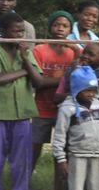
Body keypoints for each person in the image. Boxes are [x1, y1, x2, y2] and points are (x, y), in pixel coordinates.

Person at [0, 12, 46, 190]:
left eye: (22, 32)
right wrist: (24, 71)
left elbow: (38, 81)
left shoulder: (26, 53)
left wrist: (25, 59)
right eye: (15, 32)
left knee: (21, 160)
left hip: (22, 114)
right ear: (3, 32)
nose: (19, 36)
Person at [31, 11, 77, 169]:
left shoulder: (73, 53)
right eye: (56, 25)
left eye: (65, 26)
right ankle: (23, 186)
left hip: (65, 110)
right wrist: (63, 80)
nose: (60, 29)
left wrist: (76, 49)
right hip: (41, 109)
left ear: (70, 30)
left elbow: (81, 76)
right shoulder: (40, 50)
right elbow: (38, 82)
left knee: (62, 154)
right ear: (50, 27)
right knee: (33, 148)